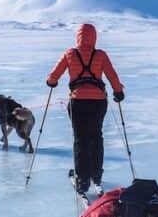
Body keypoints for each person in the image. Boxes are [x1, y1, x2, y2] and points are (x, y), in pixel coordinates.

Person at [46, 23, 124, 196]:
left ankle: (82, 180)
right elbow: (112, 76)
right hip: (98, 102)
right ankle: (96, 175)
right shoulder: (101, 55)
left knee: (80, 139)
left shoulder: (70, 54)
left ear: (78, 37)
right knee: (96, 137)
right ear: (94, 37)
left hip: (78, 102)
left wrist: (51, 82)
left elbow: (53, 76)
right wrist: (118, 92)